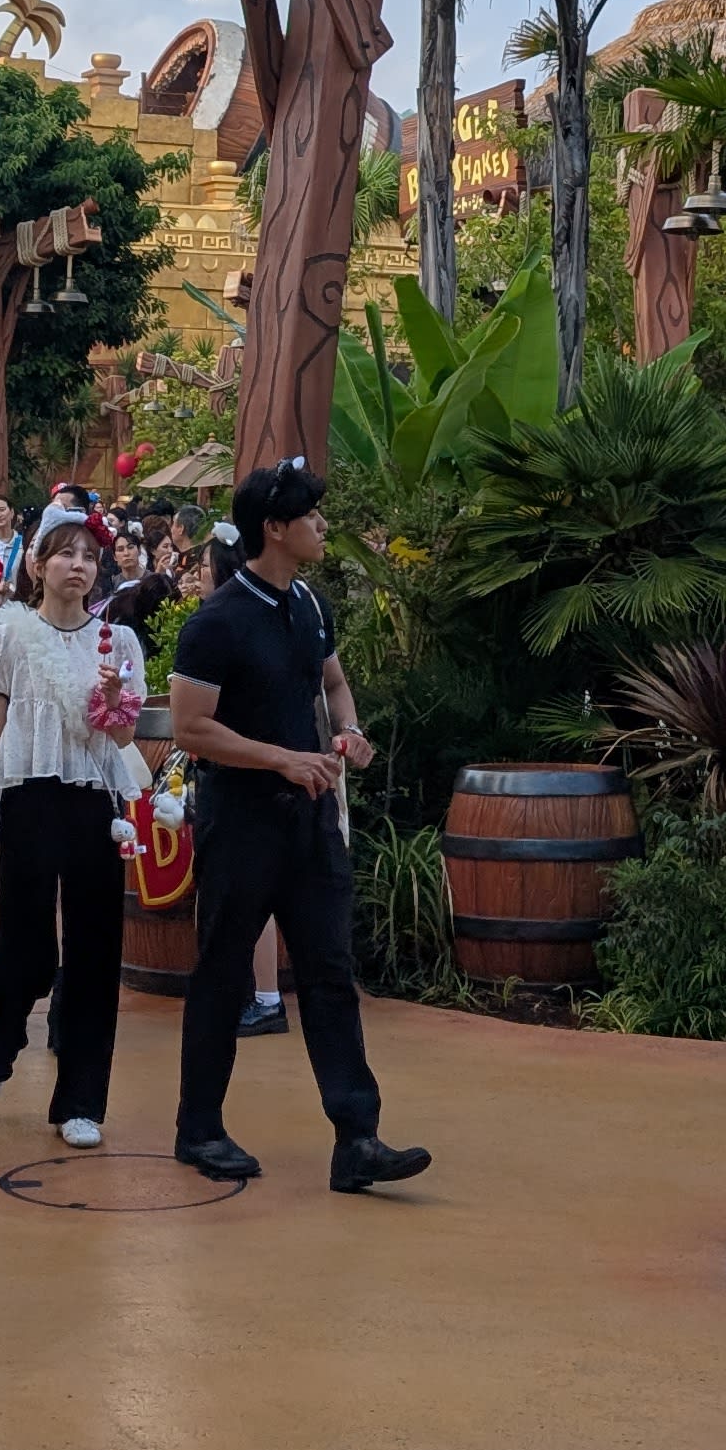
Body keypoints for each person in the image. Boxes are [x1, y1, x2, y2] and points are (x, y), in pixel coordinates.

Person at [166, 463, 423, 1191]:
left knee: (330, 973)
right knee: (221, 972)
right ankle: (200, 1128)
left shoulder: (309, 604)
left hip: (309, 822)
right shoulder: (215, 622)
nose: (323, 526)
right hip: (240, 822)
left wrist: (349, 731)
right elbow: (190, 729)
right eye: (311, 516)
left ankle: (358, 1139)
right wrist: (281, 759)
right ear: (273, 528)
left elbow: (332, 681)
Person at [0, 515, 150, 1151]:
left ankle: (81, 1098)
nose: (78, 565)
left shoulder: (117, 642)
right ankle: (4, 1038)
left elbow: (122, 739)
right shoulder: (7, 630)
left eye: (89, 557)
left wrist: (117, 701)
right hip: (29, 798)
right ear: (38, 565)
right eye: (64, 554)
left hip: (96, 804)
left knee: (95, 949)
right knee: (24, 943)